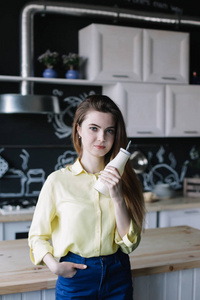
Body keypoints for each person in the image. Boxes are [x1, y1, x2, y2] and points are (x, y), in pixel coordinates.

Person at [28, 94, 145, 300]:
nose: (102, 138)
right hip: (76, 277)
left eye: (109, 131)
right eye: (94, 128)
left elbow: (129, 244)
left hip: (118, 274)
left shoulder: (123, 180)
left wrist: (117, 197)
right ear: (79, 129)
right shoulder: (58, 181)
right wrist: (54, 266)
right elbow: (38, 236)